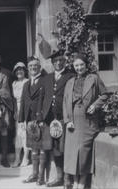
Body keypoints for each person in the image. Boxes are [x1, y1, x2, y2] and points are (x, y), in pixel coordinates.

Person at [63, 53, 108, 189]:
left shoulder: (94, 78)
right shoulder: (70, 82)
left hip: (88, 121)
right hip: (73, 122)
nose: (79, 67)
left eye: (81, 64)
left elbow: (105, 94)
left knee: (83, 152)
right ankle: (75, 183)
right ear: (73, 66)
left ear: (86, 65)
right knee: (73, 154)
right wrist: (67, 120)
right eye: (76, 65)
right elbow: (65, 103)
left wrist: (95, 105)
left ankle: (81, 184)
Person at [37, 50, 75, 188]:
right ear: (52, 63)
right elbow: (41, 98)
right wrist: (39, 117)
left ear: (65, 62)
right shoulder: (46, 78)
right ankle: (59, 177)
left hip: (63, 118)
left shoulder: (71, 76)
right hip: (48, 119)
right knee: (53, 148)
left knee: (64, 148)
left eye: (61, 61)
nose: (58, 63)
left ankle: (67, 179)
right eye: (55, 61)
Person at [18, 56, 46, 185]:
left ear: (39, 67)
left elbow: (46, 101)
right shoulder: (26, 84)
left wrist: (41, 117)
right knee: (33, 148)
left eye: (35, 66)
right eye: (30, 66)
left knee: (41, 148)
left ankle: (41, 176)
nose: (33, 68)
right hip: (29, 120)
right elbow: (23, 102)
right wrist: (21, 120)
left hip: (40, 119)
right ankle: (34, 174)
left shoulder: (45, 81)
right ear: (28, 69)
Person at [11, 62, 30, 167]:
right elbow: (14, 100)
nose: (19, 72)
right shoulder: (14, 83)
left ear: (24, 71)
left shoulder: (28, 81)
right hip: (17, 110)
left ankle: (26, 158)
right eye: (17, 70)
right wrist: (15, 111)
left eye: (21, 70)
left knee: (25, 134)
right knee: (18, 135)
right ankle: (17, 158)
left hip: (26, 109)